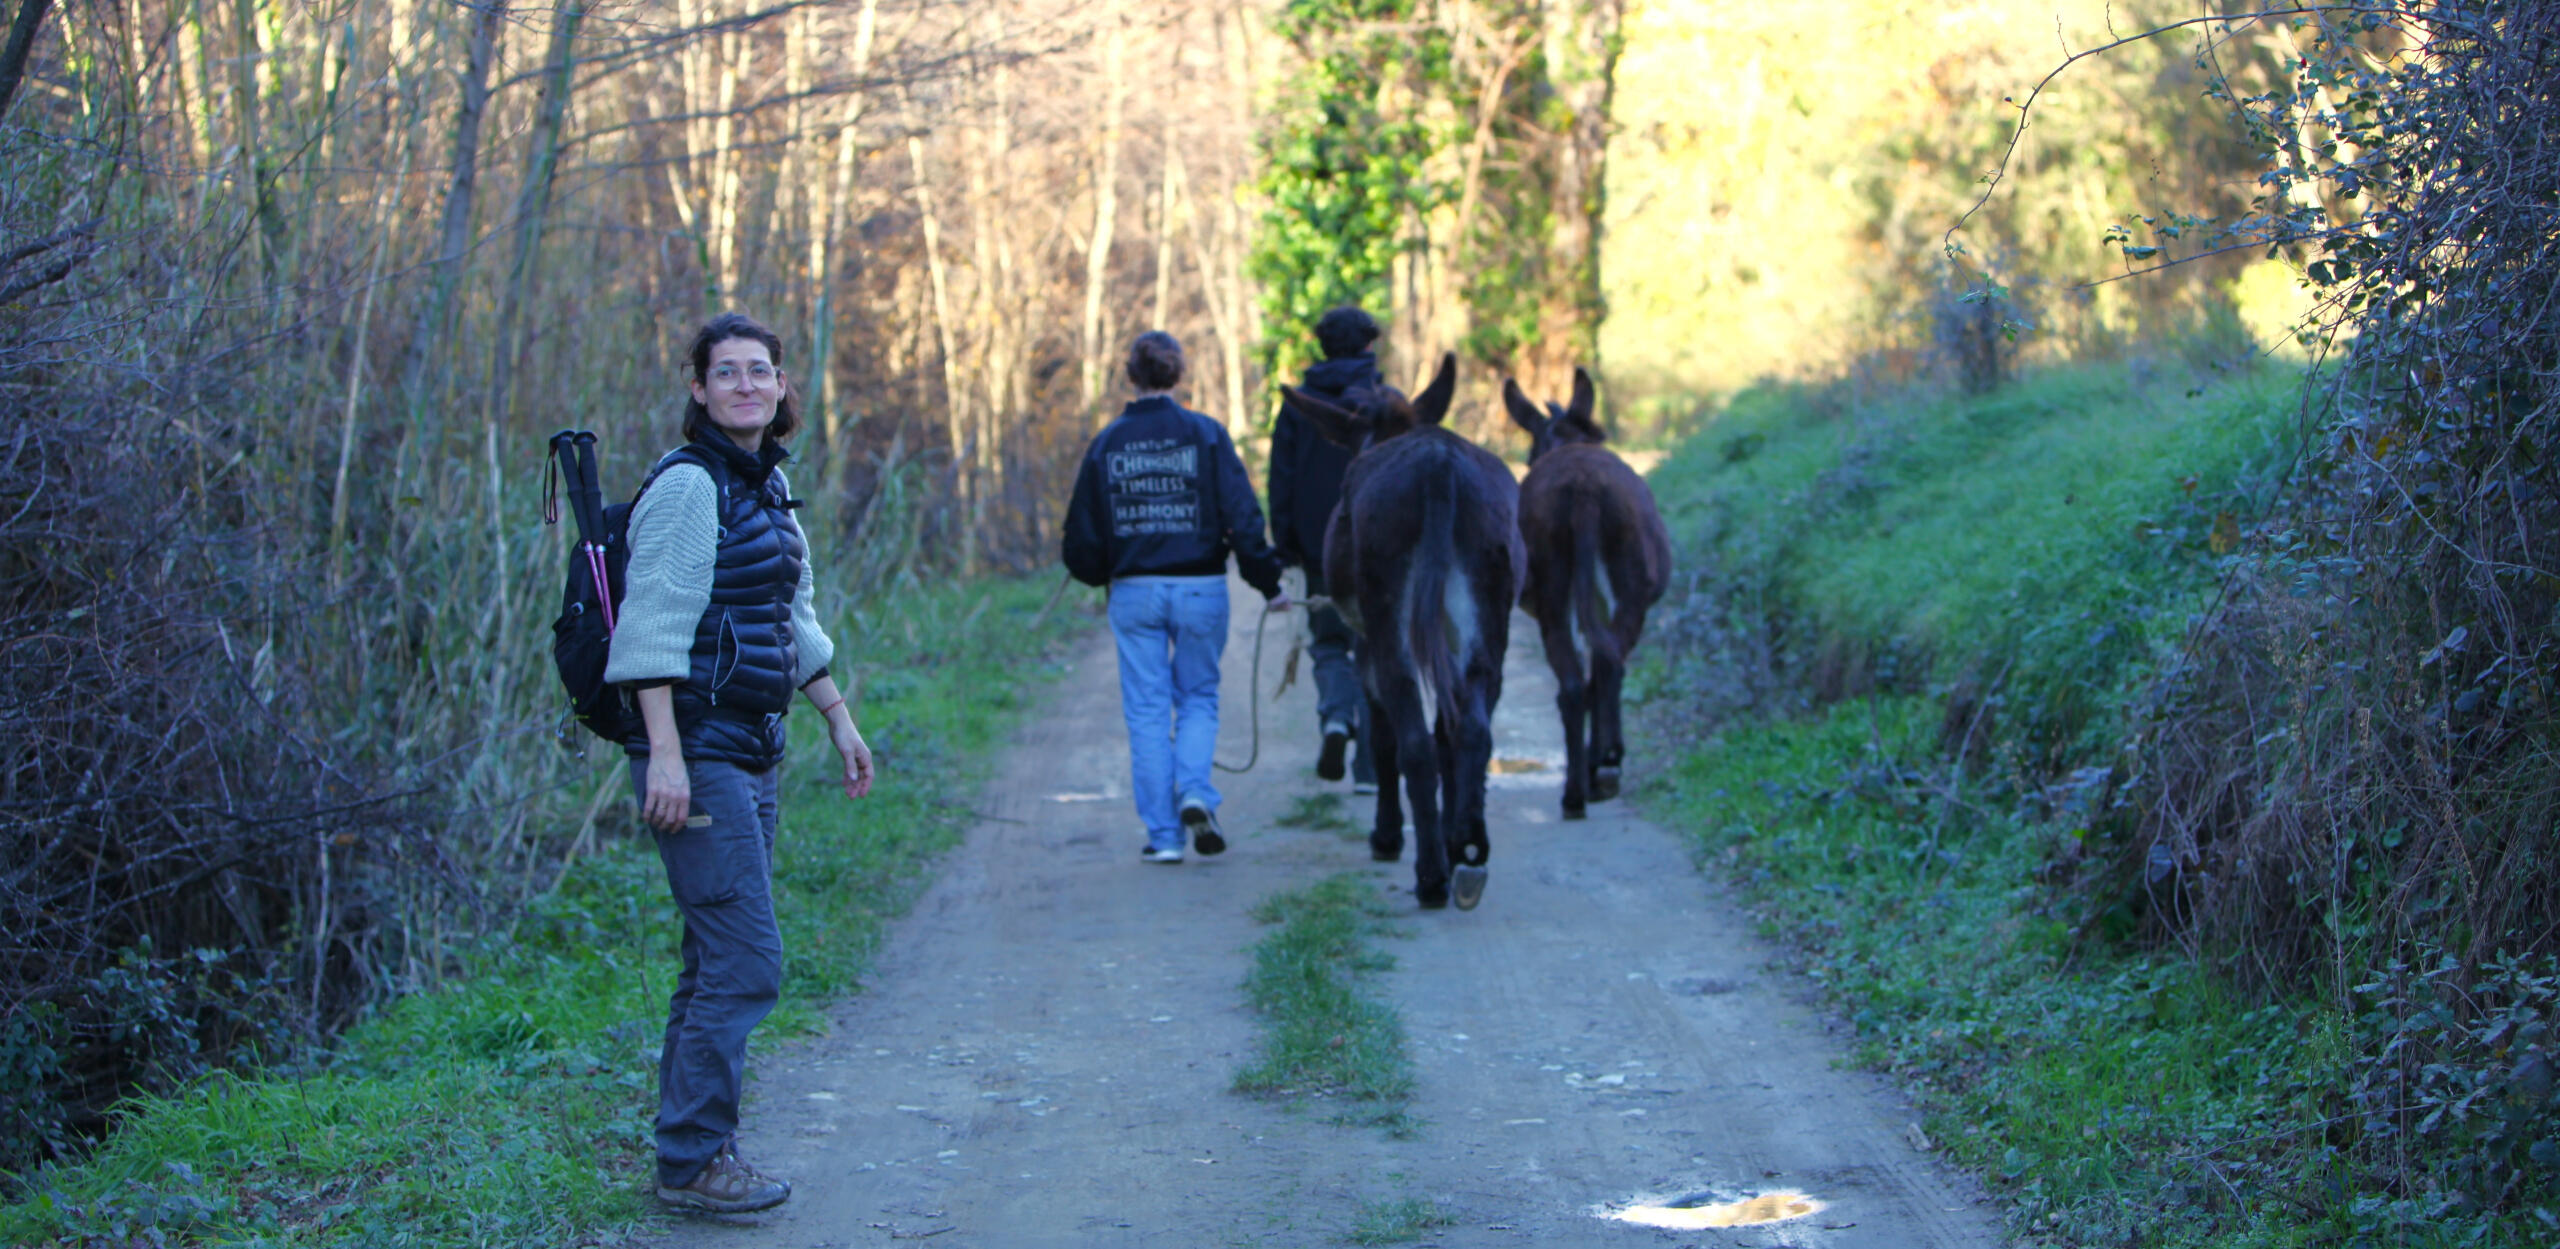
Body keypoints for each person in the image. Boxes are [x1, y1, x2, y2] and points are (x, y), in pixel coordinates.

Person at [604, 311, 876, 1214]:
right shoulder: (689, 486)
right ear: (698, 388)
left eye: (761, 371)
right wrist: (666, 759)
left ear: (782, 385)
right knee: (749, 959)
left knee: (712, 956)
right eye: (728, 373)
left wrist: (837, 718)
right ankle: (690, 1159)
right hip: (699, 749)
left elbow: (788, 620)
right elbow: (648, 629)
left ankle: (695, 1148)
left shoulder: (762, 484)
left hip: (753, 750)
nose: (748, 385)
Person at [1062, 331, 1288, 862]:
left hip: (1135, 590)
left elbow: (1081, 536)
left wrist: (1104, 574)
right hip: (1201, 588)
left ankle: (1164, 838)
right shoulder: (1206, 435)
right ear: (1178, 374)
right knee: (1198, 697)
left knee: (1146, 712)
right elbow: (1243, 516)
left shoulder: (1108, 443)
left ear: (1130, 376)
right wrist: (1270, 583)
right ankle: (1194, 791)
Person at [1266, 305, 1385, 791]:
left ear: (1321, 347)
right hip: (1381, 547)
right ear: (1368, 346)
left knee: (1331, 644)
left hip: (1321, 549)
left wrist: (1286, 544)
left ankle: (1337, 719)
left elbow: (1282, 480)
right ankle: (1370, 772)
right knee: (1375, 652)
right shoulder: (1383, 402)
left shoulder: (1298, 405)